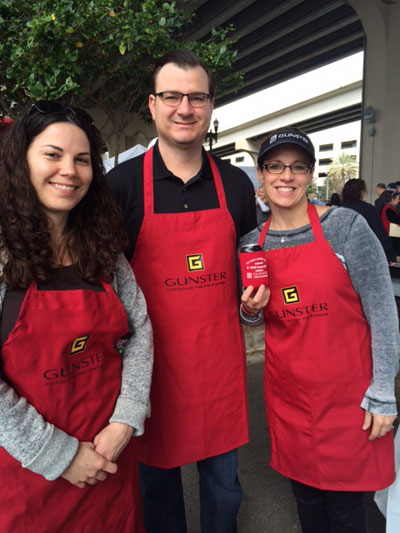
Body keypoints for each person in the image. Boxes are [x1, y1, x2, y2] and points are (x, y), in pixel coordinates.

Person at [107, 49, 257, 533]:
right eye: (172, 96)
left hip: (218, 368)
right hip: (150, 371)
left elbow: (251, 276)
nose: (184, 108)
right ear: (152, 105)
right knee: (156, 489)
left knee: (224, 488)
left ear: (211, 106)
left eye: (196, 97)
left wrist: (256, 308)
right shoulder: (120, 187)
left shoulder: (235, 185)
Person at [0, 101, 153, 532]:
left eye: (82, 159)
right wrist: (60, 455)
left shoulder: (103, 250)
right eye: (52, 154)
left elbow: (139, 329)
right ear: (21, 161)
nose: (69, 170)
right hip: (28, 475)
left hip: (109, 461)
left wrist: (126, 417)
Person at [240, 127, 399, 533]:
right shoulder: (251, 245)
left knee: (347, 514)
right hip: (290, 402)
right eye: (275, 166)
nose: (285, 176)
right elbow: (255, 318)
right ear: (261, 173)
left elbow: (382, 311)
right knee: (307, 504)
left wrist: (383, 392)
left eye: (297, 167)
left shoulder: (344, 227)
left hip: (349, 403)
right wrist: (251, 311)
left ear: (311, 175)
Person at [342, 178, 396, 262]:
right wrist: (389, 255)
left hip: (341, 254)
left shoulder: (338, 209)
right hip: (363, 253)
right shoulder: (367, 209)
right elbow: (378, 232)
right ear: (362, 192)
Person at [381, 190, 400, 257]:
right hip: (391, 237)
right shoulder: (388, 209)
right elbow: (397, 220)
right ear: (392, 199)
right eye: (398, 199)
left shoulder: (391, 208)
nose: (399, 201)